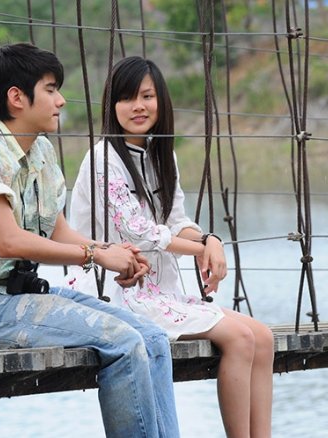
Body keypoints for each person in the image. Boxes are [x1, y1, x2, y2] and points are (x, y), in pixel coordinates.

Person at [0, 43, 180, 438]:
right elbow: (8, 242)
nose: (61, 100)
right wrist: (94, 255)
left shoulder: (40, 150)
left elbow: (57, 231)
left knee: (153, 339)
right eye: (51, 89)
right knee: (124, 344)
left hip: (15, 297)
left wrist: (113, 252)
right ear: (17, 98)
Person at [66, 56, 274, 437]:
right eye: (127, 98)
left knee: (263, 338)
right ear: (112, 105)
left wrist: (209, 240)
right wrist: (201, 249)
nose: (138, 106)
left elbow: (176, 220)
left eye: (147, 96)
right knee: (241, 338)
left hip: (160, 292)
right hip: (115, 291)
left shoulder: (161, 154)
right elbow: (141, 233)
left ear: (161, 101)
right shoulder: (102, 159)